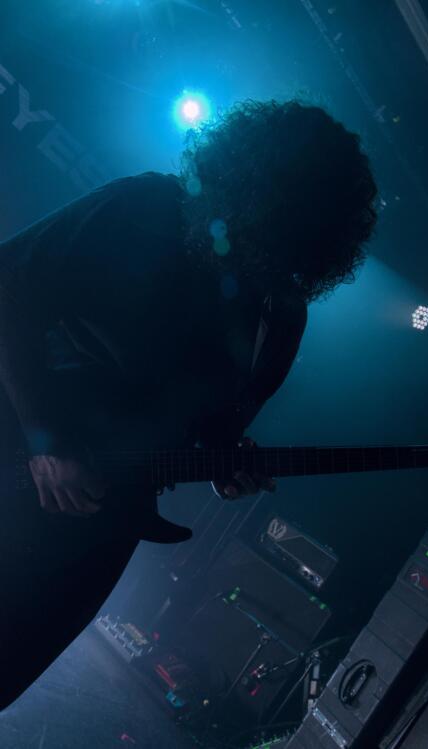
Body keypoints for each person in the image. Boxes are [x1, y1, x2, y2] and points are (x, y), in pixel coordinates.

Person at [0, 99, 377, 709]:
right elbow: (8, 283)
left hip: (99, 527)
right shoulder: (147, 207)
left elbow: (214, 431)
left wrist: (230, 461)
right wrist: (46, 438)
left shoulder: (281, 318)